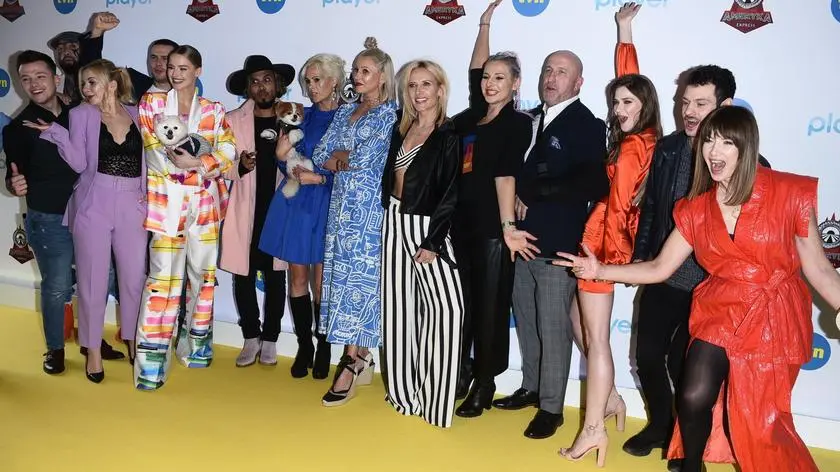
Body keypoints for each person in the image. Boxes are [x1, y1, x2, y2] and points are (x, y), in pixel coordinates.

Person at [555, 105, 838, 472]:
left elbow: (819, 269)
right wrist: (601, 269)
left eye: (726, 143)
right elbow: (659, 267)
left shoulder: (788, 194)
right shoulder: (696, 209)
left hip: (772, 316)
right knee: (692, 396)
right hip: (721, 308)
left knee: (759, 421)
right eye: (708, 141)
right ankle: (691, 467)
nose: (713, 152)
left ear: (746, 147)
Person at [627, 63, 771, 472]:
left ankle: (688, 445)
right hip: (664, 273)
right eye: (685, 102)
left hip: (711, 287)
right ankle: (660, 425)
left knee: (686, 368)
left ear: (725, 106)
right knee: (647, 357)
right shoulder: (668, 149)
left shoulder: (752, 164)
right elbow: (653, 209)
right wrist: (641, 255)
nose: (689, 112)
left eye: (701, 104)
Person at [492, 29, 609, 446]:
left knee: (554, 327)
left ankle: (552, 408)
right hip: (521, 240)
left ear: (578, 83)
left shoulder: (587, 124)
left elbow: (593, 183)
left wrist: (532, 192)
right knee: (526, 319)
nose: (551, 78)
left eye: (561, 72)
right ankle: (531, 387)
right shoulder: (528, 118)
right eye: (547, 70)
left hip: (558, 242)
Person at [559, 3, 662, 466]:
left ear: (644, 106)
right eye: (616, 103)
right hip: (603, 242)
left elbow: (620, 207)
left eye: (627, 104)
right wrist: (624, 32)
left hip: (603, 245)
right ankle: (614, 397)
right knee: (578, 322)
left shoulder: (633, 147)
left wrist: (609, 264)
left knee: (596, 339)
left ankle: (593, 429)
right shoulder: (645, 132)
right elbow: (630, 80)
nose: (619, 109)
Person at [25, 59, 147, 383]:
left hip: (133, 203)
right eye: (82, 83)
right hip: (94, 203)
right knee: (93, 281)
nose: (85, 88)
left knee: (133, 280)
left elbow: (150, 161)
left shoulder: (138, 114)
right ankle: (92, 348)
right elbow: (79, 163)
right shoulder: (80, 115)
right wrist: (56, 133)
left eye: (92, 82)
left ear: (112, 84)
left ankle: (133, 340)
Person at [4, 50, 124, 374]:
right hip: (49, 220)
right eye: (26, 79)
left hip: (91, 215)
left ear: (56, 78)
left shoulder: (83, 113)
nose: (34, 83)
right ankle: (55, 349)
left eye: (40, 76)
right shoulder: (17, 129)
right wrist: (14, 183)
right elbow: (13, 174)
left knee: (99, 280)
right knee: (57, 286)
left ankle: (91, 343)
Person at [450, 0, 538, 419]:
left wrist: (507, 227)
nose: (489, 83)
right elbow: (474, 71)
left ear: (516, 84)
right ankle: (465, 370)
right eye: (487, 77)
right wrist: (484, 24)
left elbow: (507, 176)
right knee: (465, 305)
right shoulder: (471, 118)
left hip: (493, 229)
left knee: (489, 310)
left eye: (499, 78)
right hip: (461, 225)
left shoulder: (517, 123)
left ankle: (485, 382)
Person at [134, 45, 235, 390]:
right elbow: (155, 153)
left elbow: (228, 150)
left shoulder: (214, 109)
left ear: (198, 71)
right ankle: (150, 368)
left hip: (206, 207)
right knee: (162, 282)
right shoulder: (151, 104)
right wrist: (200, 169)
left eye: (183, 68)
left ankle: (196, 349)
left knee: (203, 278)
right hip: (167, 206)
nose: (175, 74)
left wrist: (198, 163)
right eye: (171, 67)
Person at [380, 59, 464, 428]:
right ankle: (403, 394)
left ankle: (435, 401)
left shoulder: (449, 135)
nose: (418, 92)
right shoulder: (402, 129)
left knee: (447, 310)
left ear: (440, 89)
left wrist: (433, 241)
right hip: (394, 220)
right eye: (412, 85)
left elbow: (450, 193)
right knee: (398, 310)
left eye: (426, 84)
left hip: (428, 227)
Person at [313, 37, 397, 407]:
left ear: (383, 77)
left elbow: (367, 159)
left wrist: (341, 158)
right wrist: (339, 159)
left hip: (369, 213)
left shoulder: (390, 114)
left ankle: (351, 362)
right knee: (342, 280)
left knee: (359, 285)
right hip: (340, 210)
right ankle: (360, 357)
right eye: (356, 70)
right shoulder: (347, 110)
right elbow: (320, 153)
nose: (357, 76)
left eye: (365, 71)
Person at [259, 53, 346, 379]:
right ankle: (304, 345)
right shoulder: (301, 116)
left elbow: (355, 168)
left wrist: (321, 179)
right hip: (296, 203)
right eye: (308, 81)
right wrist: (281, 158)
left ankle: (324, 347)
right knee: (297, 278)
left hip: (327, 202)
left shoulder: (348, 118)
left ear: (334, 81)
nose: (312, 87)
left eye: (318, 80)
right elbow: (286, 158)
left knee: (321, 283)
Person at [218, 55, 295, 368]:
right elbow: (220, 165)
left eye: (267, 79)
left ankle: (271, 338)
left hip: (279, 210)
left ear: (278, 84)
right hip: (245, 209)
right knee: (244, 275)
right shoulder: (232, 120)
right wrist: (239, 166)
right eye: (255, 81)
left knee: (276, 276)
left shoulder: (292, 117)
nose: (262, 86)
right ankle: (251, 336)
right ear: (247, 88)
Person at [79, 11, 178, 100]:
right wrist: (97, 31)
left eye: (165, 58)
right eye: (153, 57)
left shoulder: (184, 93)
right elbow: (93, 71)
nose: (158, 63)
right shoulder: (131, 82)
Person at [48, 31, 82, 104]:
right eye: (60, 49)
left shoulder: (99, 81)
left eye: (73, 46)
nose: (66, 52)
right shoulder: (54, 87)